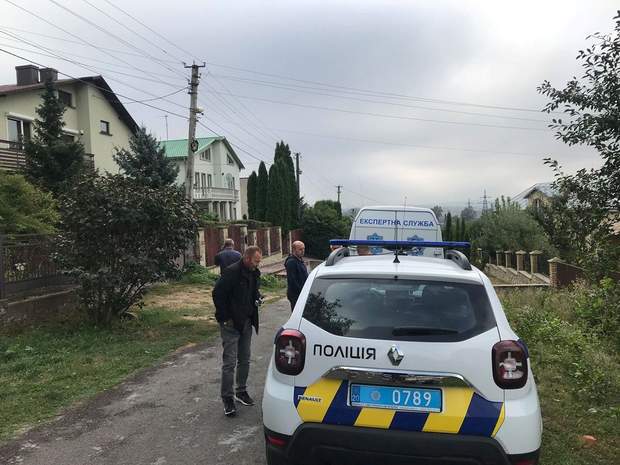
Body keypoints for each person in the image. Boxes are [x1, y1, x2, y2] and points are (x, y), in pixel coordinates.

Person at [212, 246, 262, 417]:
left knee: (245, 360)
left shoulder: (254, 273)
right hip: (231, 325)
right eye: (256, 261)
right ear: (247, 259)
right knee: (229, 363)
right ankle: (227, 399)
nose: (257, 264)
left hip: (246, 322)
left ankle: (241, 392)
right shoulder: (231, 272)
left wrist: (257, 298)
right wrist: (225, 318)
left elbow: (253, 292)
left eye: (259, 261)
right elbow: (217, 294)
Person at [284, 241, 309, 311]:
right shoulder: (291, 262)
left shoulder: (300, 260)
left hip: (302, 293)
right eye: (300, 249)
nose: (303, 251)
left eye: (303, 249)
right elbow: (292, 281)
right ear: (294, 250)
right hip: (296, 295)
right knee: (297, 312)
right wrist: (302, 291)